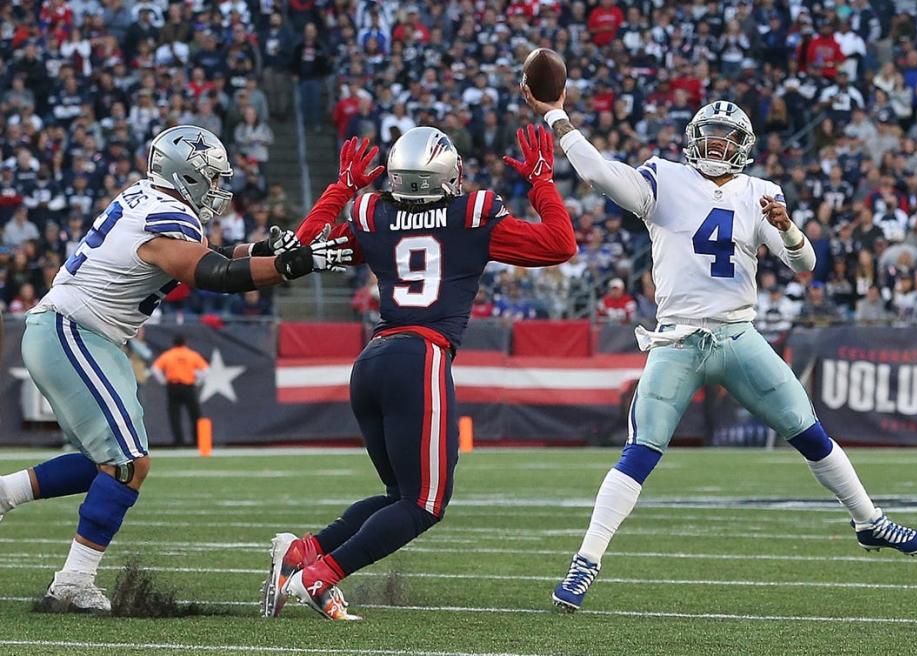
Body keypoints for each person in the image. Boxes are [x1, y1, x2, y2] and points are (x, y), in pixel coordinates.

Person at [521, 92, 917, 612]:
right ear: (694, 139)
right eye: (710, 135)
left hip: (738, 335)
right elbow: (600, 174)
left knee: (809, 431)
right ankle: (585, 563)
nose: (717, 145)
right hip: (678, 338)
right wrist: (557, 114)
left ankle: (870, 522)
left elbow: (802, 264)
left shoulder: (760, 192)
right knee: (642, 450)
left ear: (744, 147)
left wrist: (785, 226)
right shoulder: (663, 178)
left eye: (728, 138)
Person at [0, 125, 350, 614]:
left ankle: (5, 494)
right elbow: (215, 275)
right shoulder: (167, 217)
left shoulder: (152, 200)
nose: (219, 189)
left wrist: (271, 253)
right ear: (184, 174)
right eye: (211, 178)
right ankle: (73, 582)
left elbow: (221, 256)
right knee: (128, 465)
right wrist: (292, 266)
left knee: (109, 463)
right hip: (74, 332)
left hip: (81, 333)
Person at [260, 129, 576, 620]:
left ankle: (303, 553)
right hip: (421, 358)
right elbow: (561, 244)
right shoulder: (473, 216)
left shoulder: (372, 214)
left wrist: (341, 188)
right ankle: (322, 576)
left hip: (372, 359)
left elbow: (299, 250)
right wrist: (541, 183)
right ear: (447, 176)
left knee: (400, 497)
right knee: (426, 503)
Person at [151, 335, 209, 447]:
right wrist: (197, 381)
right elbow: (206, 370)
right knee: (195, 415)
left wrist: (163, 381)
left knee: (174, 415)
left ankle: (179, 442)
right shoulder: (192, 355)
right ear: (185, 343)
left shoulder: (168, 355)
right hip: (188, 387)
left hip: (173, 387)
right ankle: (196, 442)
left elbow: (155, 369)